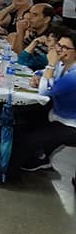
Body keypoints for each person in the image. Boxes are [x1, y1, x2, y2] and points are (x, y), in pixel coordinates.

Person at [11, 29, 76, 178]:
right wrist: (37, 77)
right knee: (19, 118)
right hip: (55, 114)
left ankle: (3, 174)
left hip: (71, 124)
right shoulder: (62, 64)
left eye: (65, 47)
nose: (59, 50)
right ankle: (37, 158)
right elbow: (41, 73)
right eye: (59, 45)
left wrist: (50, 64)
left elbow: (46, 90)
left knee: (30, 139)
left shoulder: (73, 75)